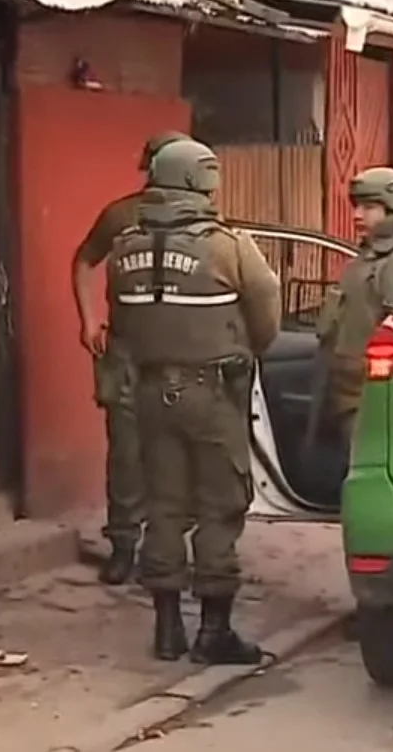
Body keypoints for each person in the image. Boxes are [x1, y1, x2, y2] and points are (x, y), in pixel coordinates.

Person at [106, 138, 282, 664]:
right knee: (219, 506)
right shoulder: (229, 245)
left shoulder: (122, 245)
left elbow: (122, 320)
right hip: (212, 393)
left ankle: (165, 630)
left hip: (150, 391)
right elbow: (267, 310)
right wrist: (245, 349)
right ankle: (214, 633)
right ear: (199, 181)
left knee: (163, 506)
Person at [72, 130, 190, 585]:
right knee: (127, 454)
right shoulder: (122, 215)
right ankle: (124, 544)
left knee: (181, 455)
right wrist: (89, 321)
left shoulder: (205, 222)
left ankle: (171, 548)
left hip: (182, 356)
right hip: (128, 353)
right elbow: (84, 260)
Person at [313, 167, 393, 444]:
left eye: (369, 207)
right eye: (357, 206)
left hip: (374, 398)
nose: (358, 215)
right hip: (348, 395)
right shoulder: (371, 256)